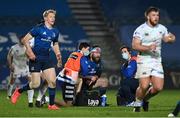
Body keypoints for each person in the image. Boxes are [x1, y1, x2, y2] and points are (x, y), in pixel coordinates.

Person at [11, 9, 62, 110]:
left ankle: (51, 105)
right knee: (35, 84)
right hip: (36, 59)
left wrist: (58, 54)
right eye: (51, 17)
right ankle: (19, 91)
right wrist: (30, 52)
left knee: (52, 82)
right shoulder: (38, 29)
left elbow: (55, 43)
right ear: (45, 18)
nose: (53, 19)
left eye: (54, 17)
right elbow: (24, 40)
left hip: (47, 58)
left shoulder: (55, 31)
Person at [132, 6, 176, 112]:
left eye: (157, 15)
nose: (156, 17)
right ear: (147, 16)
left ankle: (144, 100)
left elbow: (166, 39)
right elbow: (135, 45)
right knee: (144, 86)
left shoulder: (162, 28)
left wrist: (172, 39)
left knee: (158, 88)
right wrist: (148, 47)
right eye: (153, 15)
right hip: (144, 59)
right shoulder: (140, 29)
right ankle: (137, 103)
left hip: (156, 60)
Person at [55, 42, 90, 107]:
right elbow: (85, 70)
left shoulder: (73, 53)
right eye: (87, 49)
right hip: (69, 79)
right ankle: (47, 99)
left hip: (62, 77)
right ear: (83, 48)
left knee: (80, 80)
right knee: (68, 105)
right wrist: (87, 75)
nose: (88, 51)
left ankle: (74, 97)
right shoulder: (81, 57)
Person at [7, 38, 34, 107]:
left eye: (24, 39)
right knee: (11, 81)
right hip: (16, 66)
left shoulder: (27, 47)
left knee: (31, 82)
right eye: (22, 39)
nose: (23, 41)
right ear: (19, 40)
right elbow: (9, 56)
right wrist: (10, 65)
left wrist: (29, 54)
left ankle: (30, 102)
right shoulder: (14, 47)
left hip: (25, 67)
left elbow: (30, 57)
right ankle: (9, 95)